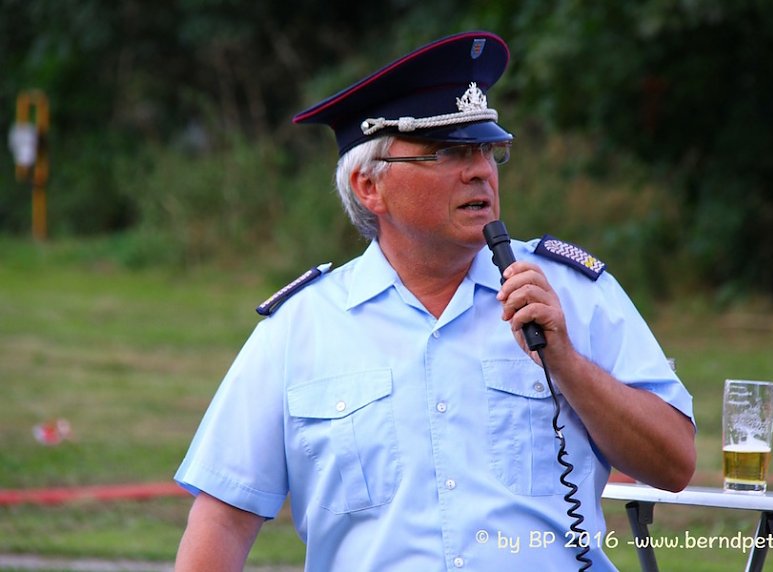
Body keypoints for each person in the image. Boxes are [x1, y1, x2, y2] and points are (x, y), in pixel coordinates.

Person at [174, 31, 695, 572]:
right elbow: (223, 520)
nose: (480, 170)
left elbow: (675, 463)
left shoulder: (570, 294)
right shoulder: (301, 326)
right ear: (368, 187)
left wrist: (565, 362)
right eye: (447, 152)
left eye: (488, 150)